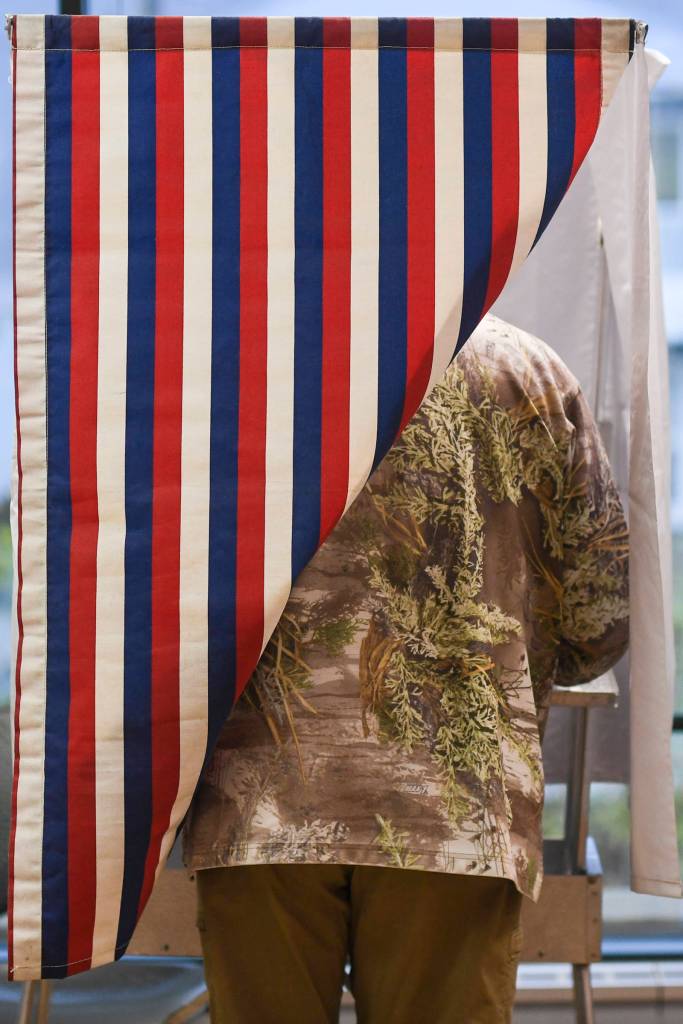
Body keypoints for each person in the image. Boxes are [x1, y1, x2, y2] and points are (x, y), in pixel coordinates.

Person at [184, 314, 629, 1024]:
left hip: (259, 799)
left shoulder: (225, 369)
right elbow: (598, 619)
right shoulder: (529, 374)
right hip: (453, 807)